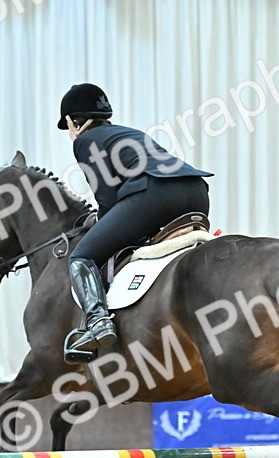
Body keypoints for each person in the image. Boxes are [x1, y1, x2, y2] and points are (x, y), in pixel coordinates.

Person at [57, 83, 213, 363]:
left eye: (67, 126)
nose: (69, 132)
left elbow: (107, 198)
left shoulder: (85, 141)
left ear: (74, 121)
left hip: (155, 195)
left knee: (82, 256)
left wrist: (101, 224)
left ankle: (97, 322)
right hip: (196, 191)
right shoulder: (127, 133)